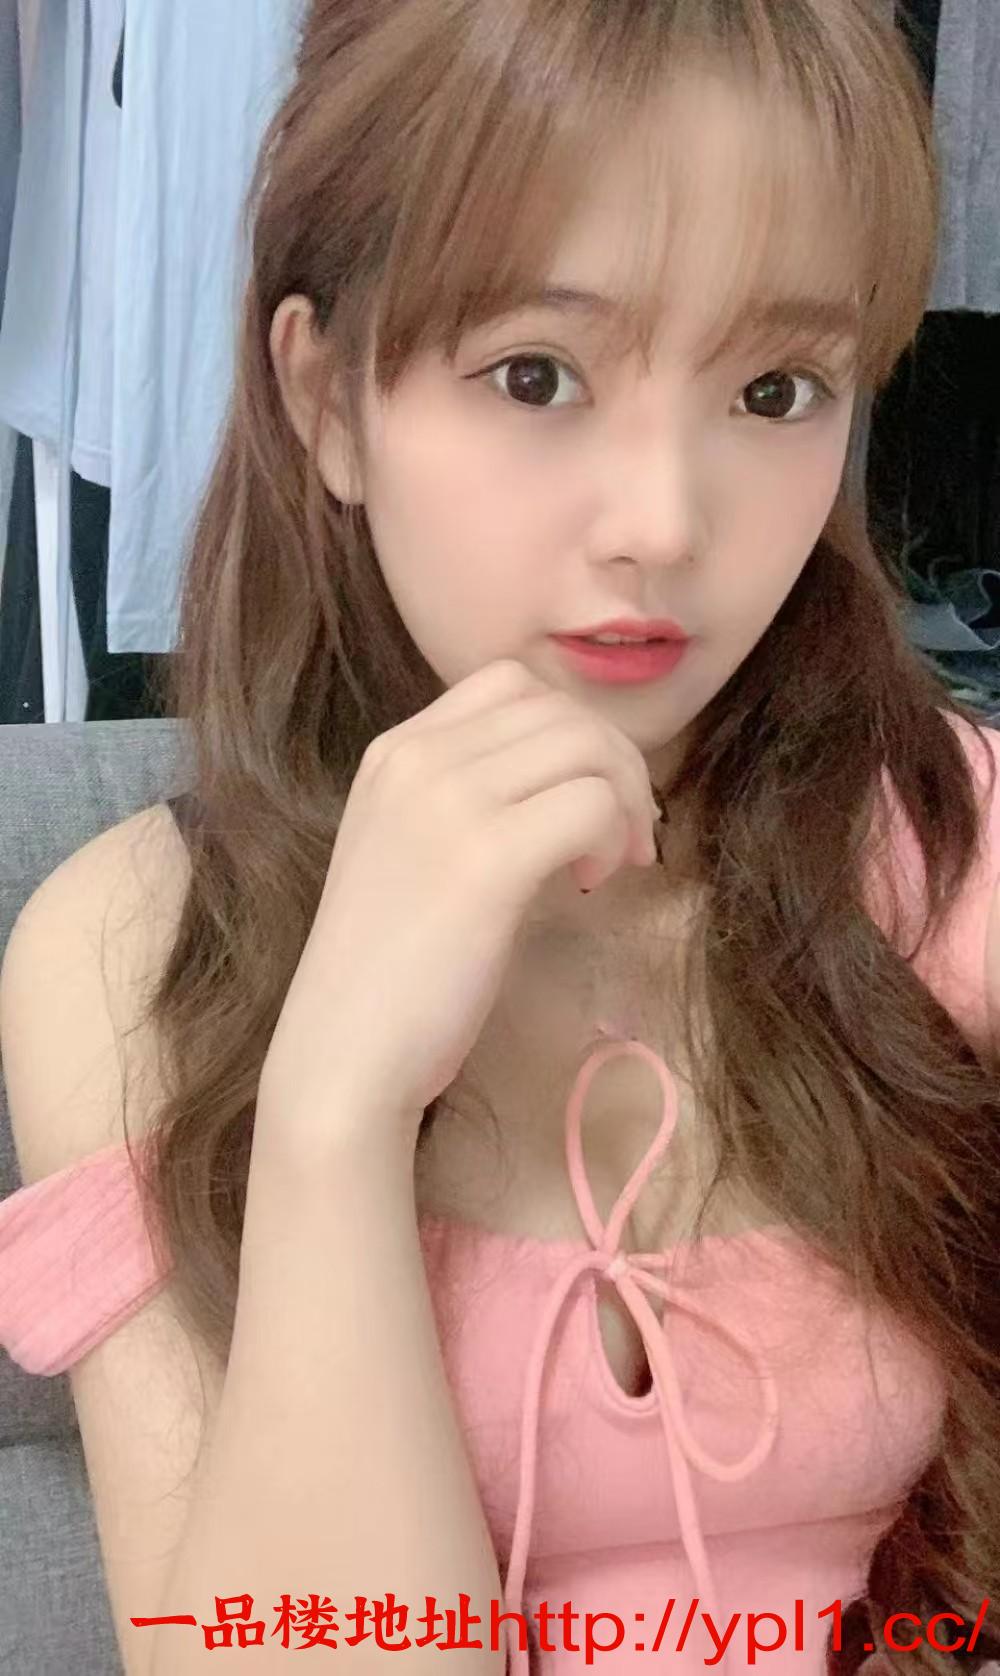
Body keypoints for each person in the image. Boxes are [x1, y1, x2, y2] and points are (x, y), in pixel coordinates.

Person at [1, 1, 999, 1672]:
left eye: (776, 389)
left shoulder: (939, 846)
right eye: (536, 374)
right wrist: (334, 1108)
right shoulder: (132, 952)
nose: (663, 522)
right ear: (325, 397)